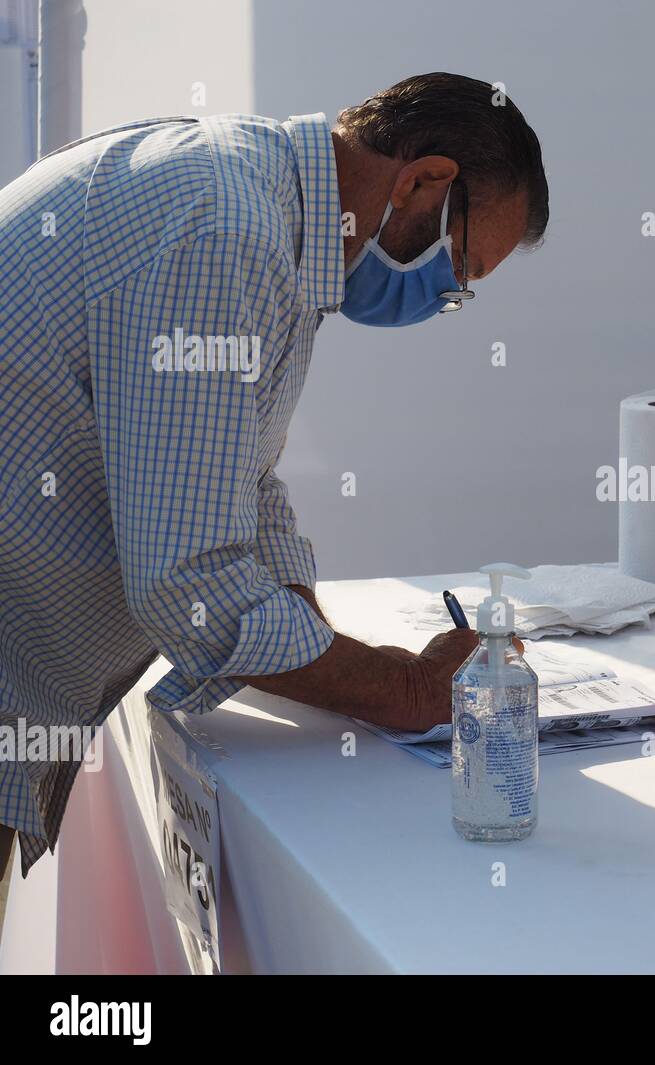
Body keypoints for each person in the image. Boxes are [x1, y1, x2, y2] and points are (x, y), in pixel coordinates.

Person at [0, 73, 548, 880]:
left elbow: (234, 486)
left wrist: (343, 653)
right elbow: (191, 581)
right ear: (425, 181)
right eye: (458, 268)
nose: (442, 297)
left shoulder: (259, 204)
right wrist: (403, 689)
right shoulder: (227, 234)